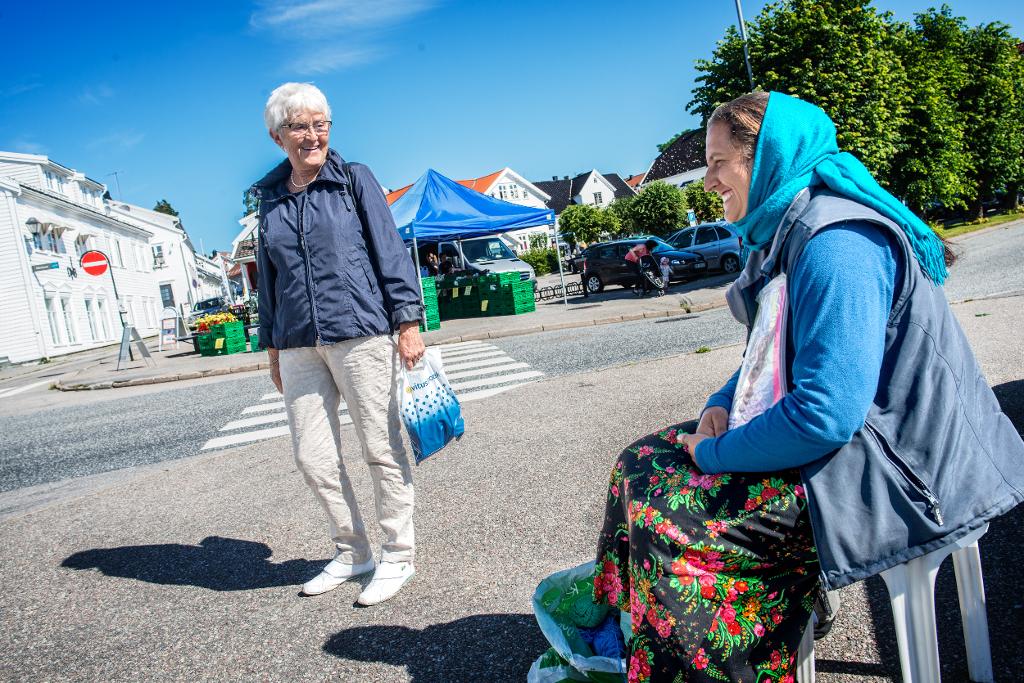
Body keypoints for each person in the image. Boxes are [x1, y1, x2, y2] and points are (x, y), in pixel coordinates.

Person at [592, 91, 1024, 681]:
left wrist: (715, 453)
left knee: (673, 523)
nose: (709, 180)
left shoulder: (834, 244)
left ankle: (713, 657)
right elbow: (778, 356)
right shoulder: (786, 233)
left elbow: (824, 415)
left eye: (720, 163)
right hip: (857, 444)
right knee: (636, 464)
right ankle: (630, 638)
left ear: (766, 158)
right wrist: (721, 404)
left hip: (905, 470)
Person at [253, 82, 426, 606]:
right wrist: (273, 348)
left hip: (362, 334)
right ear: (277, 135)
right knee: (313, 456)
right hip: (299, 342)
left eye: (320, 124)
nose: (312, 136)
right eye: (300, 126)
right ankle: (353, 552)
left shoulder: (353, 179)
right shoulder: (269, 197)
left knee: (381, 445)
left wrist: (408, 321)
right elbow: (269, 278)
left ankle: (398, 554)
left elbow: (389, 250)